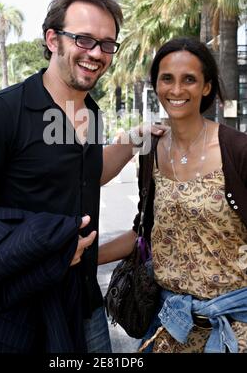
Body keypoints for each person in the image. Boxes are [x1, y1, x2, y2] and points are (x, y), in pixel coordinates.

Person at [0, 0, 163, 353]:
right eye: (84, 39)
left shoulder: (90, 112)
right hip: (13, 307)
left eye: (107, 44)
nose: (96, 53)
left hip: (83, 303)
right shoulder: (4, 111)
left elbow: (87, 175)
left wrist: (132, 141)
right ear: (52, 39)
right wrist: (45, 244)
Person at [99, 37, 247, 353]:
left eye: (189, 79)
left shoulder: (238, 150)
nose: (176, 90)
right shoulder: (150, 151)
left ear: (206, 86)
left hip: (235, 331)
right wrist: (82, 258)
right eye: (167, 78)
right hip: (169, 328)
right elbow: (147, 233)